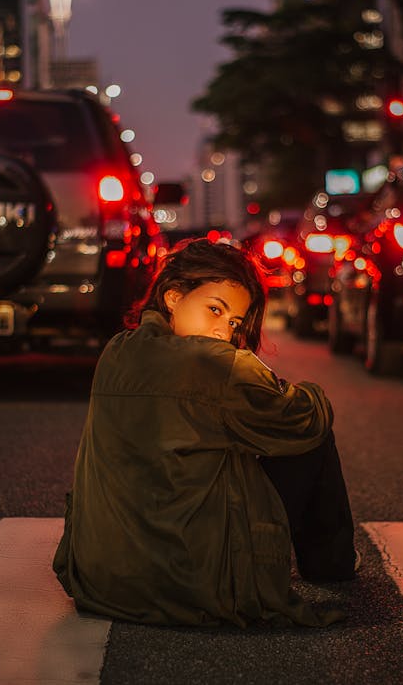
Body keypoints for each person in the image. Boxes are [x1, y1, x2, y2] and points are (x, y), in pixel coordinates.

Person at [53, 238, 357, 628]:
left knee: (238, 436)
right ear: (174, 297)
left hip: (102, 581)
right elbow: (308, 418)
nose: (223, 332)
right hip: (196, 584)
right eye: (215, 310)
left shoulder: (117, 349)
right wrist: (306, 391)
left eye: (233, 323)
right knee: (312, 433)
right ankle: (331, 566)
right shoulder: (214, 363)